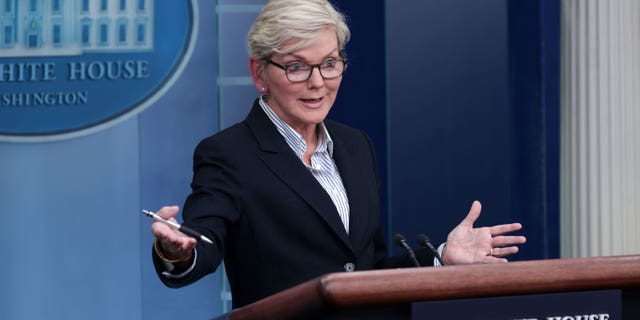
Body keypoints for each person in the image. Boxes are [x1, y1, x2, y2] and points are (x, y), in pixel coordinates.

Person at [150, 0, 526, 317]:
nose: (318, 82)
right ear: (260, 73)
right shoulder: (228, 154)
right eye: (297, 67)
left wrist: (442, 259)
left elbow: (367, 271)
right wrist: (177, 251)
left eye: (330, 63)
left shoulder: (355, 145)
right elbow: (203, 245)